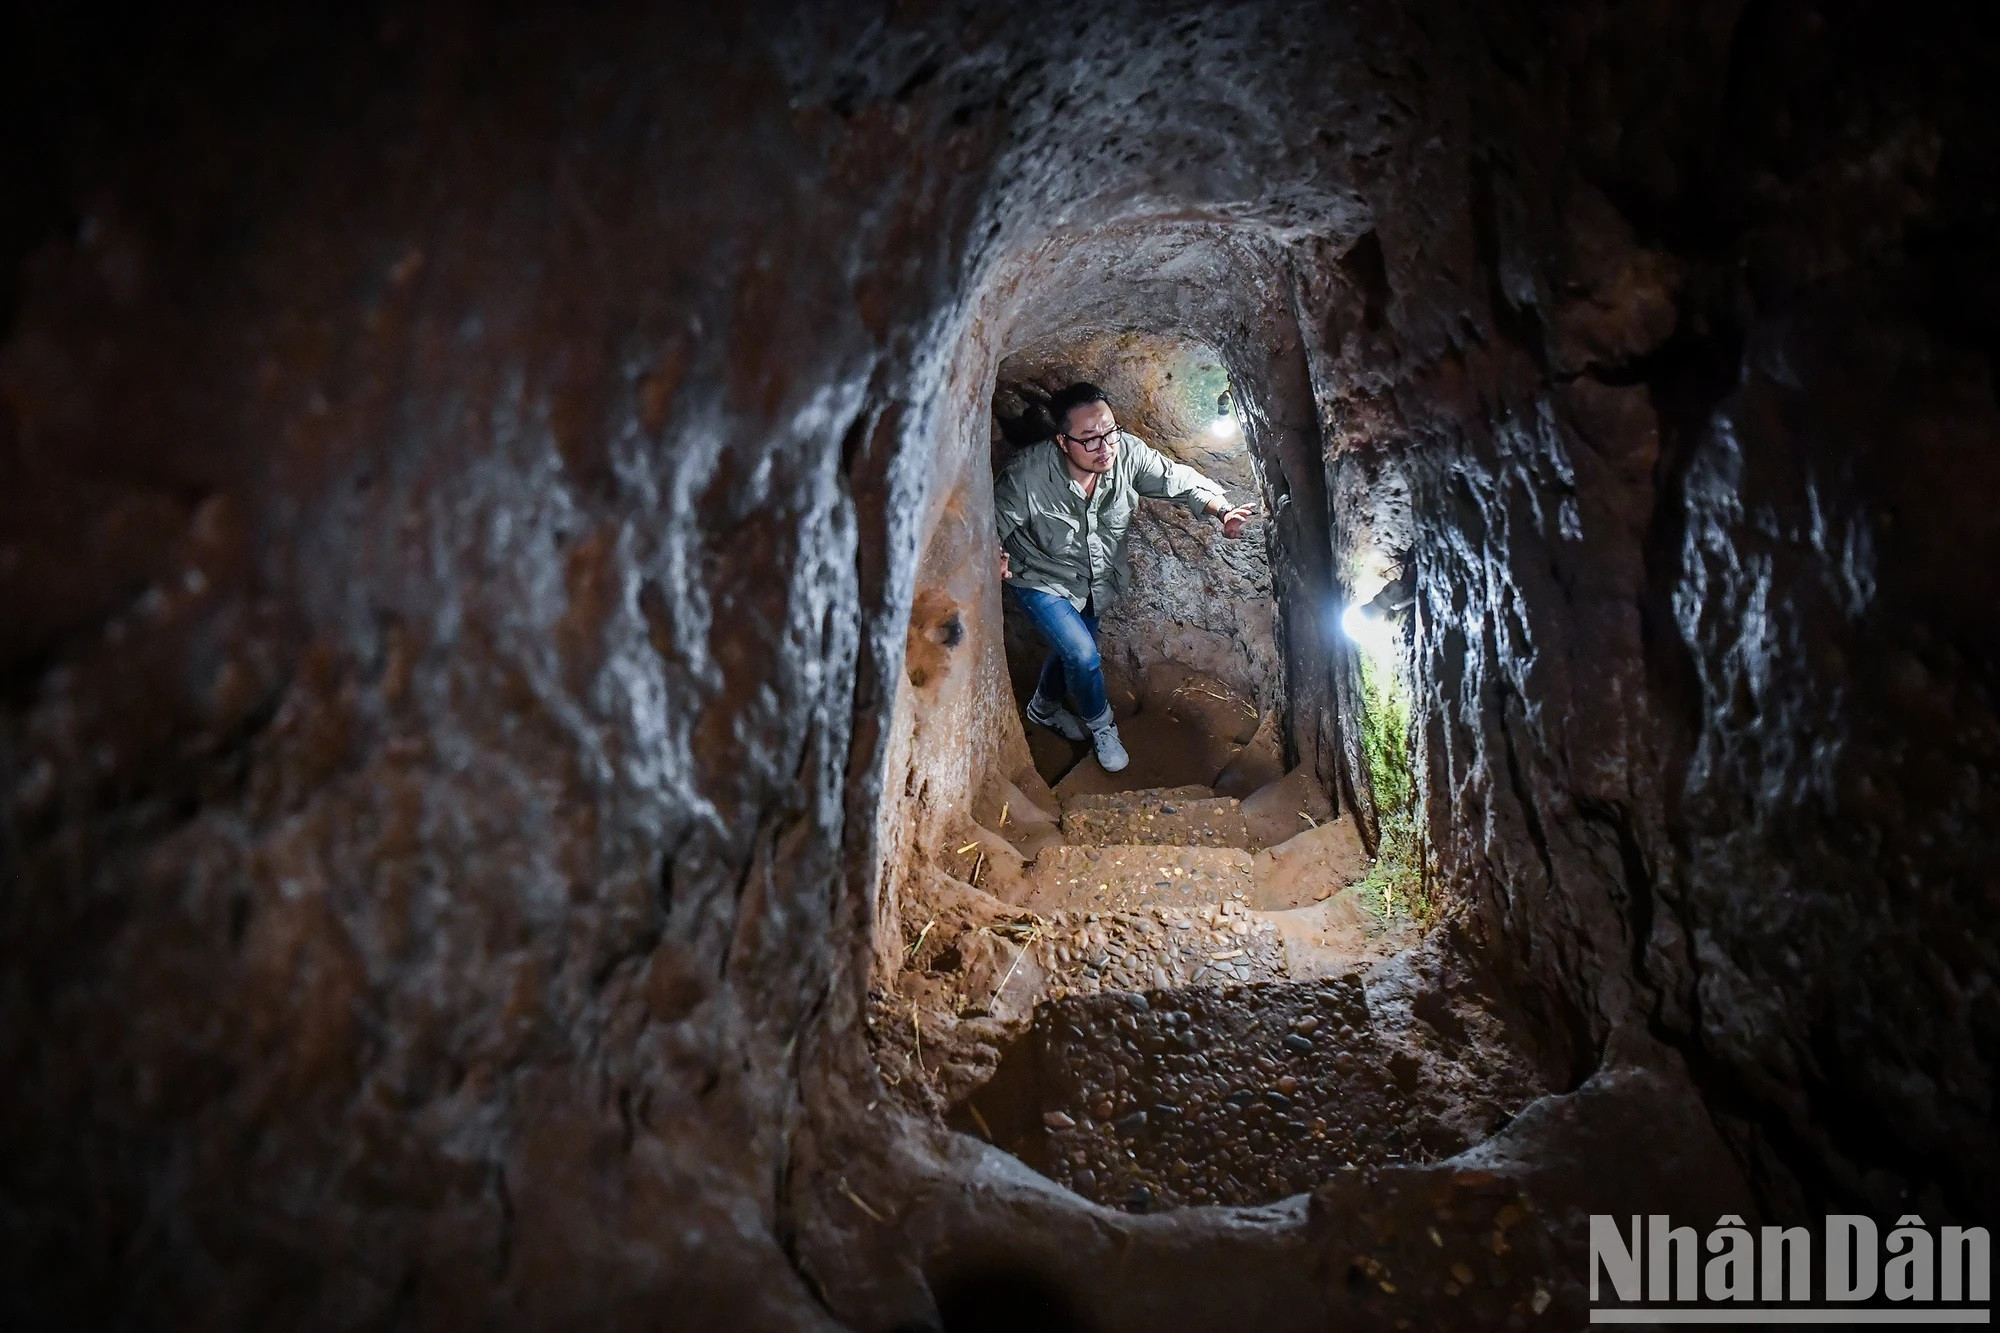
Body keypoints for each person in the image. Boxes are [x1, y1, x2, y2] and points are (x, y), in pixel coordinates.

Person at [994, 382, 1257, 773]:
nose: (1105, 448)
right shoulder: (1027, 477)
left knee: (1070, 649)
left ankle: (1042, 709)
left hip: (1098, 580)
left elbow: (1175, 479)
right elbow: (988, 524)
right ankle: (1101, 726)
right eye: (1089, 439)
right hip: (1041, 577)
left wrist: (1221, 510)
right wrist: (992, 554)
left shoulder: (1126, 454)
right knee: (1083, 655)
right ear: (1063, 442)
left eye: (1110, 432)